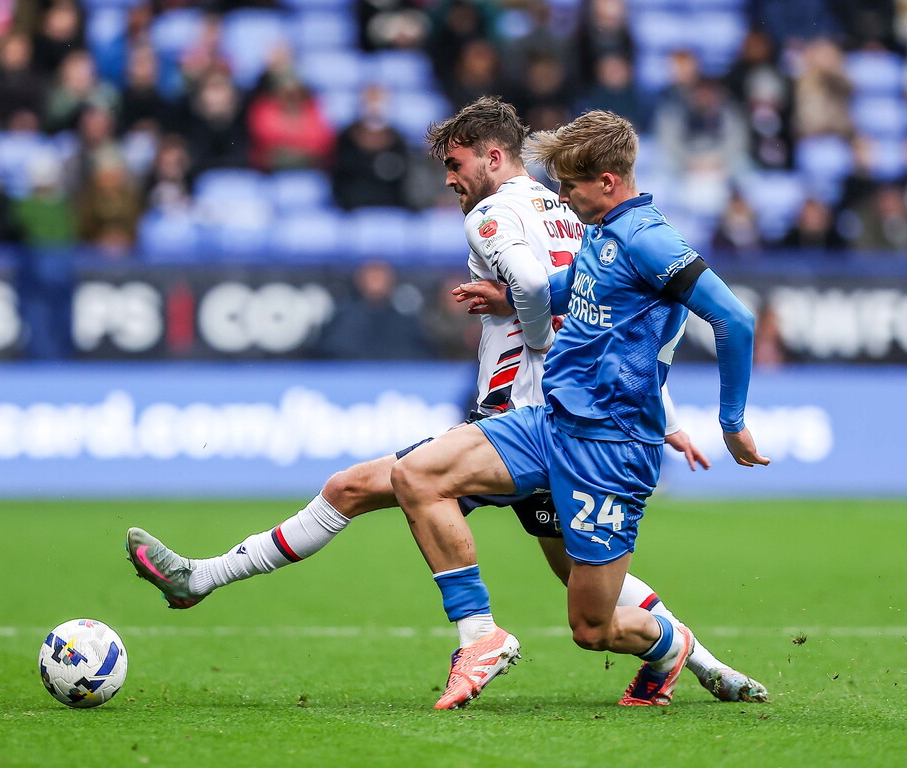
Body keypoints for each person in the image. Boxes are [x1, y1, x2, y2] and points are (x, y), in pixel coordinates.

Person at [126, 98, 767, 709]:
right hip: (561, 416)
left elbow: (559, 292)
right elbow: (619, 316)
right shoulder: (571, 212)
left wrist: (535, 328)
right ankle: (694, 660)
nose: (450, 182)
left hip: (544, 418)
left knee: (583, 607)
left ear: (492, 157)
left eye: (455, 166)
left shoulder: (497, 216)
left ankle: (491, 636)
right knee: (552, 568)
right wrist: (669, 415)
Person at [389, 107, 770, 709]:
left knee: (593, 629)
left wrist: (733, 423)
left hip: (610, 448)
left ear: (608, 182)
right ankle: (479, 637)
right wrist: (503, 292)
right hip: (551, 421)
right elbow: (581, 286)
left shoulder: (650, 240)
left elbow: (735, 318)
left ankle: (670, 649)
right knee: (415, 475)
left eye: (569, 185)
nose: (559, 195)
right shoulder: (600, 226)